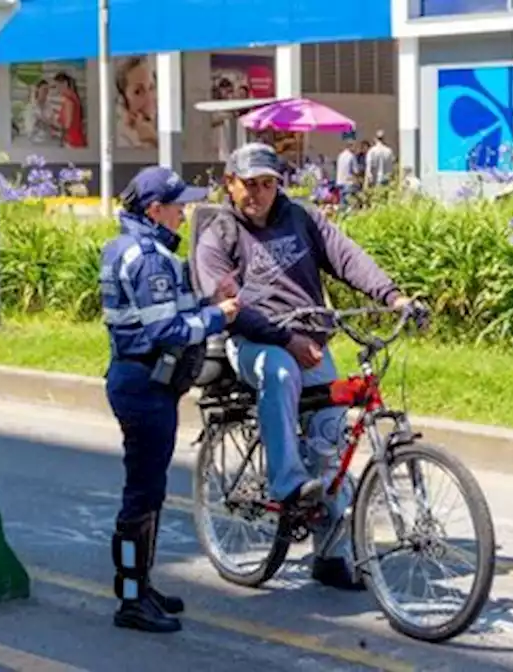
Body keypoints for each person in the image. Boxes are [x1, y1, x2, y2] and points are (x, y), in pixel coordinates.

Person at [192, 142, 423, 589]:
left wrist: (393, 296)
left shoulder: (301, 218)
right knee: (279, 373)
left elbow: (346, 256)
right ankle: (286, 485)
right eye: (249, 185)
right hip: (258, 342)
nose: (258, 194)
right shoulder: (218, 235)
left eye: (267, 184)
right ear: (230, 184)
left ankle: (331, 555)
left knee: (331, 441)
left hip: (311, 342)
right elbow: (228, 304)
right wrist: (285, 339)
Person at [101, 166, 241, 633]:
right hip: (144, 385)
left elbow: (173, 313)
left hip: (141, 382)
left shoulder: (136, 248)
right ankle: (130, 598)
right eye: (178, 205)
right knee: (141, 494)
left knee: (151, 491)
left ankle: (141, 584)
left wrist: (208, 305)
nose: (185, 212)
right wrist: (218, 318)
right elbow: (167, 331)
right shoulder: (147, 259)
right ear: (155, 210)